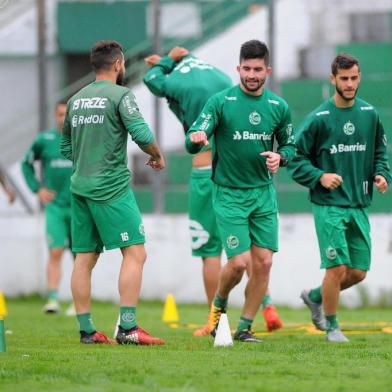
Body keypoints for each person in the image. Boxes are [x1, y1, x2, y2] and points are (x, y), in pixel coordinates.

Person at [144, 46, 282, 335]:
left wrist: (166, 61)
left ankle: (214, 320)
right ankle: (266, 305)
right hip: (247, 174)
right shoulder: (219, 79)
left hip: (209, 174)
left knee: (212, 252)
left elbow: (152, 78)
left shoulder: (178, 83)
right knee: (256, 255)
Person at [185, 40, 295, 342]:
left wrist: (280, 157)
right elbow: (195, 136)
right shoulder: (221, 102)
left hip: (263, 194)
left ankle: (245, 327)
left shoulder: (278, 107)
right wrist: (196, 138)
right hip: (229, 194)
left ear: (267, 71)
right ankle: (217, 307)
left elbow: (290, 145)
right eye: (246, 68)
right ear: (238, 69)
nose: (252, 74)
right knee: (238, 262)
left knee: (264, 263)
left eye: (257, 69)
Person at [61, 40, 165, 345]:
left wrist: (87, 161)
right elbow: (143, 134)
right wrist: (157, 155)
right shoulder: (121, 95)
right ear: (119, 64)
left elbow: (65, 147)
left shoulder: (75, 100)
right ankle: (129, 327)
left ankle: (87, 330)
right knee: (135, 252)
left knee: (83, 259)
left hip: (79, 187)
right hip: (111, 188)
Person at [289, 53, 391, 342]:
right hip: (329, 205)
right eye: (343, 78)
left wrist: (382, 175)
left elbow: (380, 153)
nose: (349, 83)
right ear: (332, 79)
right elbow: (294, 159)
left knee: (358, 272)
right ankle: (332, 327)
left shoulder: (369, 114)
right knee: (336, 267)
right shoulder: (318, 119)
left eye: (354, 78)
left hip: (359, 204)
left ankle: (314, 296)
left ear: (359, 77)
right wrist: (319, 176)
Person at [22, 101, 75, 315]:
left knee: (80, 255)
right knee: (55, 251)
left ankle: (77, 302)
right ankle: (52, 299)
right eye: (60, 114)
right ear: (55, 116)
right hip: (55, 207)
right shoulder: (44, 140)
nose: (64, 118)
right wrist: (37, 188)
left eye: (67, 114)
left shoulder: (81, 139)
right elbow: (26, 163)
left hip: (79, 206)